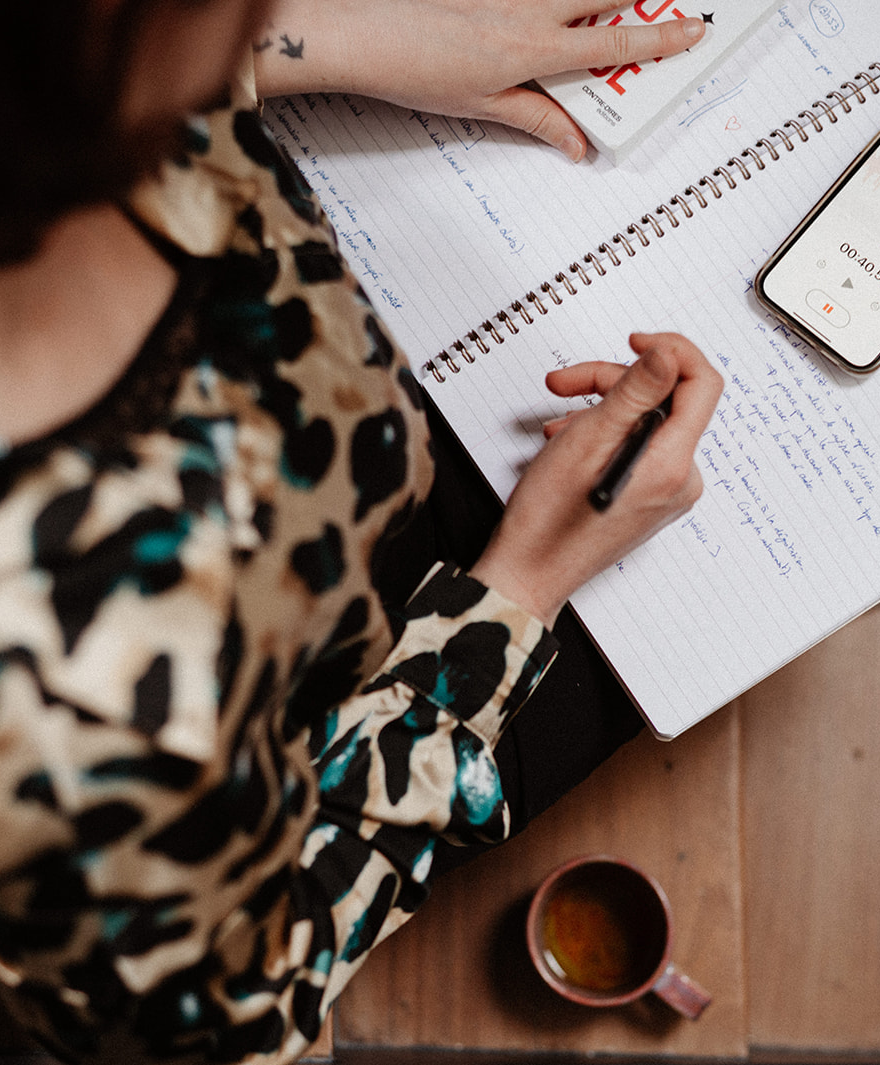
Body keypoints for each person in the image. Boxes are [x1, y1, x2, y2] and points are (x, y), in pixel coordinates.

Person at [0, 1, 723, 1062]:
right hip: (296, 773)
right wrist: (517, 592)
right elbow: (238, 1024)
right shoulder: (63, 701)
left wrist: (314, 43)